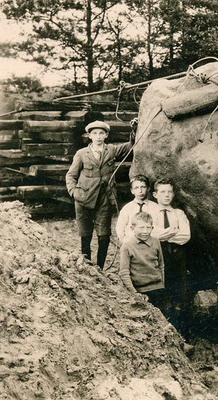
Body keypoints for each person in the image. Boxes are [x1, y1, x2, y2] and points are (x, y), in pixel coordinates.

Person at [66, 120, 134, 269]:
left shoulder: (111, 150)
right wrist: (74, 192)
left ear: (106, 135)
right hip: (84, 198)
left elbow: (130, 146)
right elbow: (71, 176)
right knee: (86, 234)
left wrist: (134, 130)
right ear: (89, 136)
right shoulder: (82, 154)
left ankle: (100, 268)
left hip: (104, 199)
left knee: (104, 235)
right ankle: (88, 266)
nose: (98, 136)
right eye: (94, 133)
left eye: (101, 133)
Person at [152, 179, 191, 309]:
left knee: (179, 282)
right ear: (155, 195)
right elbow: (152, 234)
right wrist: (173, 232)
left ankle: (180, 308)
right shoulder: (150, 214)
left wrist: (164, 235)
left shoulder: (179, 214)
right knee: (162, 279)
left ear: (173, 194)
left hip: (178, 252)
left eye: (169, 192)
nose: (167, 195)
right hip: (159, 251)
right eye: (163, 192)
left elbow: (185, 235)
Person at [118, 211, 165, 305]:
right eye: (141, 228)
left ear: (152, 228)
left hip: (158, 288)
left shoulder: (156, 242)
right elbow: (124, 273)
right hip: (140, 290)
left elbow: (161, 265)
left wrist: (162, 285)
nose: (145, 231)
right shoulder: (127, 246)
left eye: (148, 228)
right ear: (132, 228)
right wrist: (134, 293)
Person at [115, 175, 160, 243]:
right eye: (136, 188)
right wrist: (125, 242)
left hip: (151, 244)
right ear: (132, 191)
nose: (140, 191)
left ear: (148, 188)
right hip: (131, 243)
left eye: (143, 187)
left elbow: (159, 228)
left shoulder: (156, 207)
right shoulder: (127, 208)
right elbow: (120, 228)